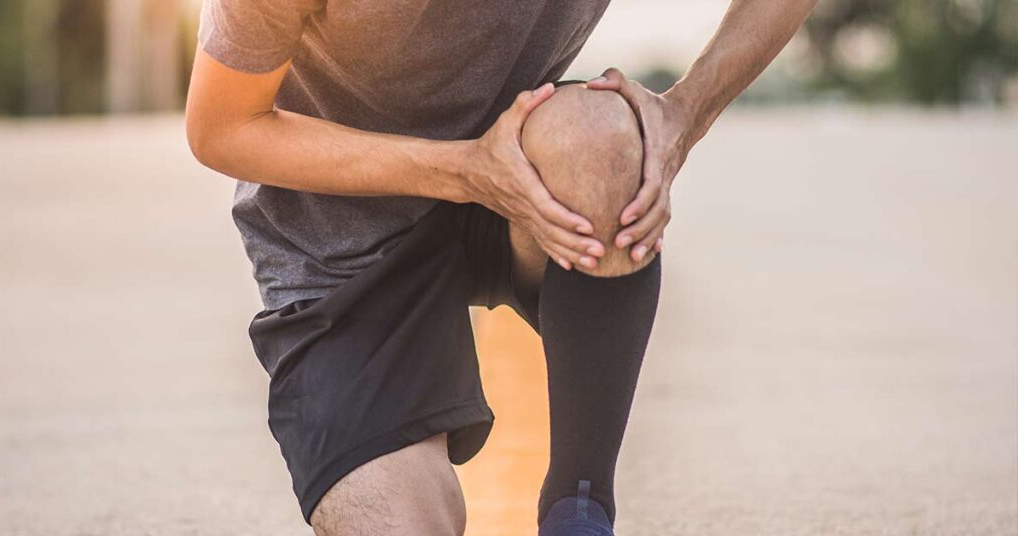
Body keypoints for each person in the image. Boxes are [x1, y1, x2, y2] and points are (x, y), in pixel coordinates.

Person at [185, 2, 815, 535]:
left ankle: (579, 508)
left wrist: (685, 114)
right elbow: (222, 124)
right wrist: (462, 170)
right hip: (337, 241)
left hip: (523, 182)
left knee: (598, 137)